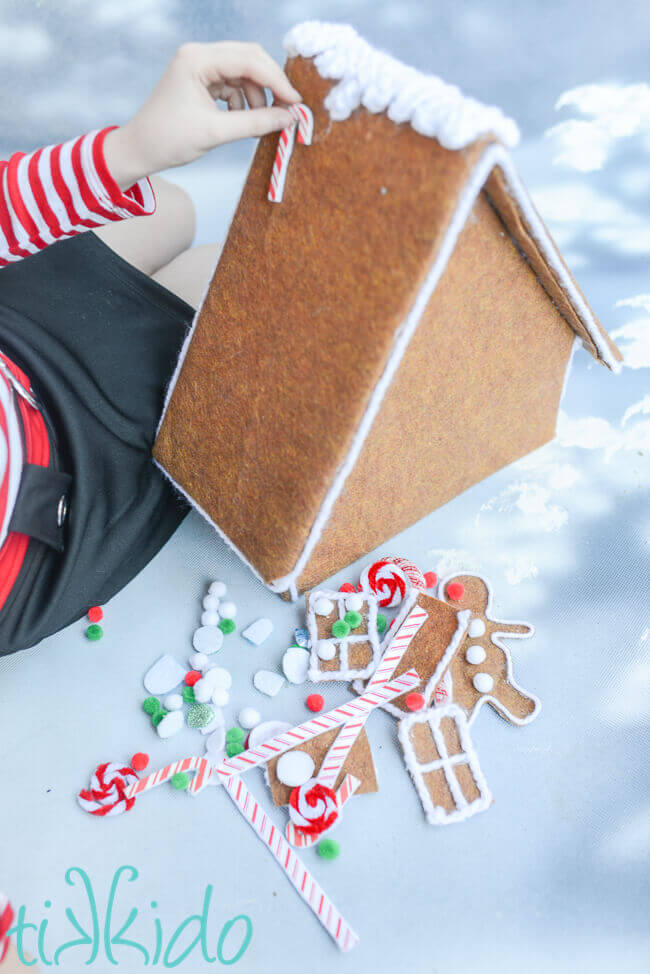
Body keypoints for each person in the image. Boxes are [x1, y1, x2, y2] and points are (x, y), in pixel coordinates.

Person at [0, 42, 301, 656]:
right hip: (48, 504)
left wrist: (130, 149)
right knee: (243, 276)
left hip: (12, 352)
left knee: (169, 205)